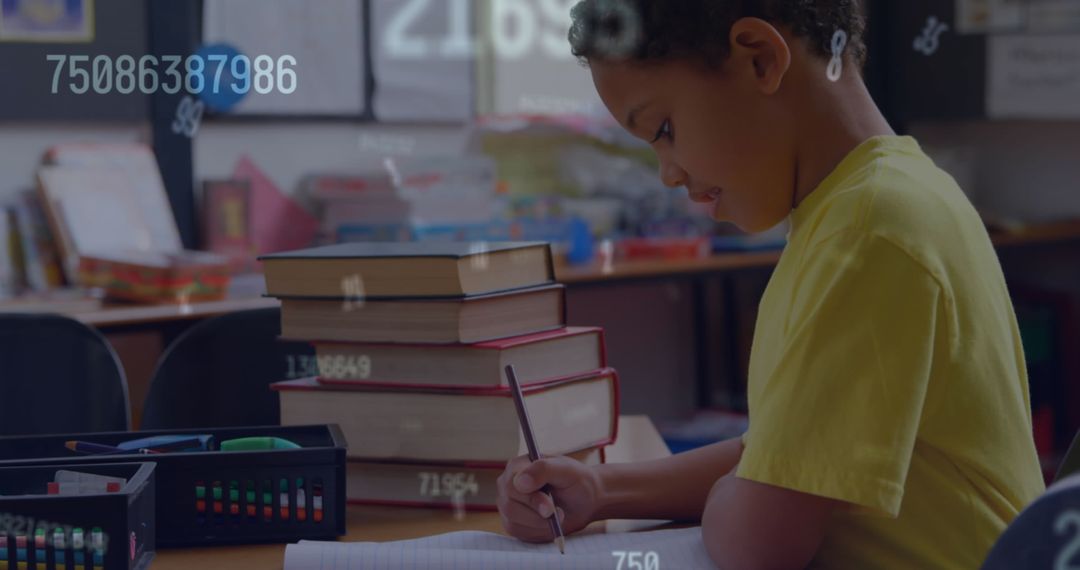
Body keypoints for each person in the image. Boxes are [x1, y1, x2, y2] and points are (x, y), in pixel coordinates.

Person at [495, 1, 1046, 568]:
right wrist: (602, 490)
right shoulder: (868, 203)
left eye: (663, 130)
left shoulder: (869, 230)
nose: (669, 173)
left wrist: (745, 493)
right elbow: (781, 461)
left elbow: (758, 542)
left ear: (759, 59)